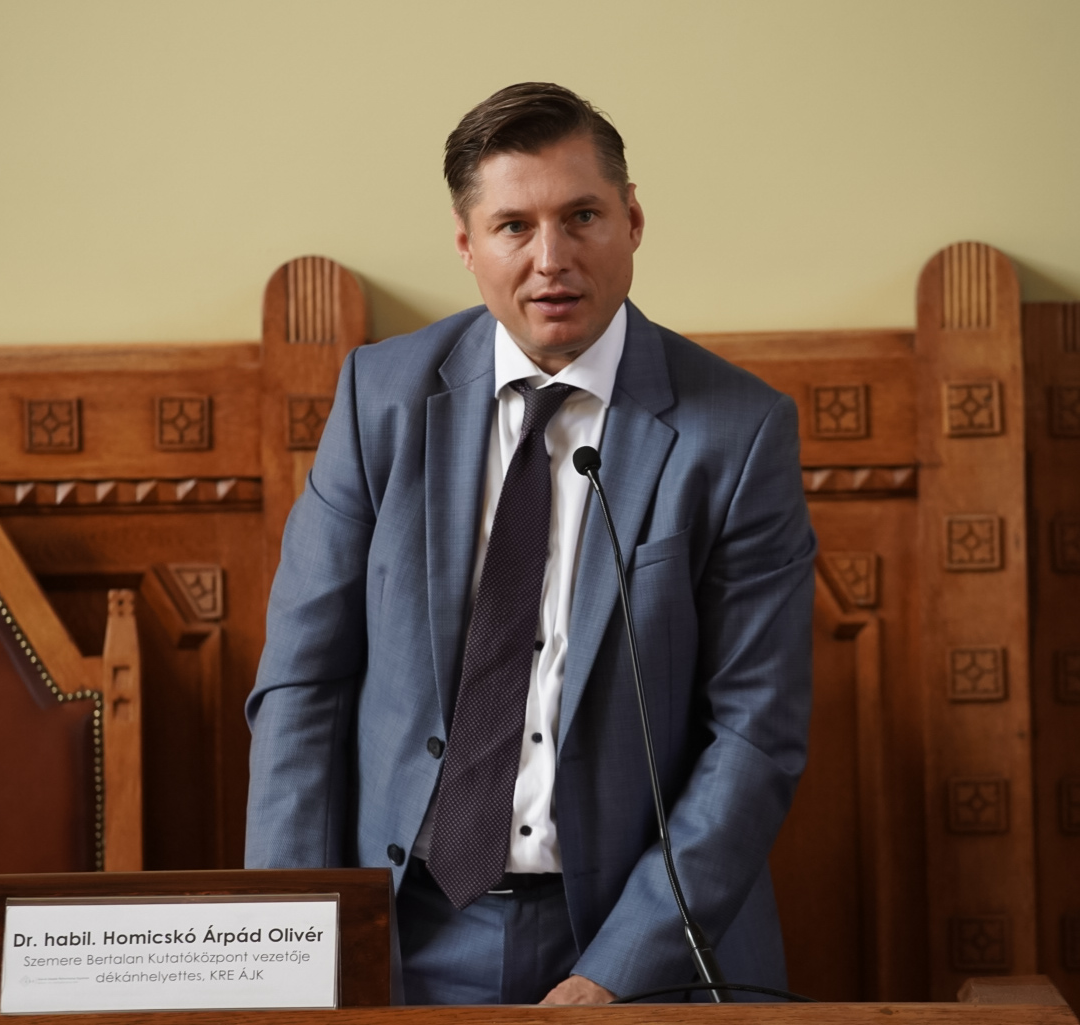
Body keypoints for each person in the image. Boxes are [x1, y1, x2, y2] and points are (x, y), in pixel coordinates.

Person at [244, 82, 815, 1005]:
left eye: (581, 216)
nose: (552, 259)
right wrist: (295, 941)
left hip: (639, 941)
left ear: (632, 221)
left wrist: (613, 972)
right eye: (513, 225)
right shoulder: (378, 399)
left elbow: (755, 731)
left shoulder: (738, 432)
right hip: (402, 929)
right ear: (466, 245)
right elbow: (301, 684)